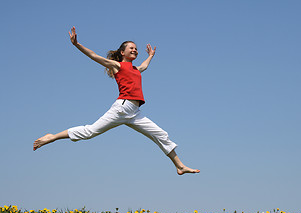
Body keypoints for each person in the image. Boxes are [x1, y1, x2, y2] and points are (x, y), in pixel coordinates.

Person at [33, 26, 200, 176]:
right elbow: (94, 56)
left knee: (160, 134)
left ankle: (180, 166)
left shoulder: (136, 69)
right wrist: (77, 44)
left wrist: (150, 56)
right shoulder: (117, 66)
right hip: (122, 108)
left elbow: (144, 66)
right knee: (90, 132)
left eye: (136, 48)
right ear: (123, 52)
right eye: (131, 48)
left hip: (134, 112)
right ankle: (52, 137)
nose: (135, 50)